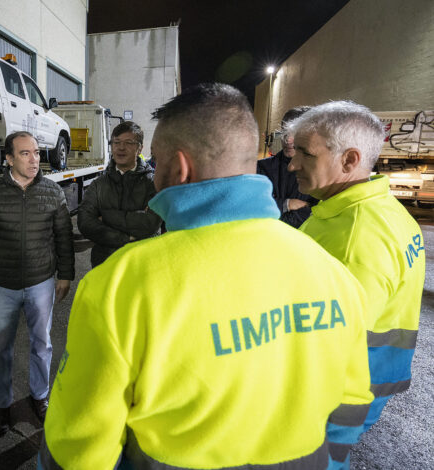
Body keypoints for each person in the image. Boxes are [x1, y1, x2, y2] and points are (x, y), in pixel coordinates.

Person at [38, 84, 373, 469]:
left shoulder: (121, 286)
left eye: (157, 159)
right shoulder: (331, 270)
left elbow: (77, 448)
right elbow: (351, 403)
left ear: (179, 168)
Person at [288, 101, 425, 467]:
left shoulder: (355, 236)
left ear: (349, 160)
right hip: (377, 369)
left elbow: (331, 344)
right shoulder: (380, 208)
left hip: (341, 390)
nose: (292, 164)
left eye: (304, 153)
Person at [0, 131, 75, 434]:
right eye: (25, 153)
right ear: (9, 159)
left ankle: (40, 397)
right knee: (2, 348)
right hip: (2, 285)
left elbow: (64, 238)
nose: (34, 159)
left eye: (37, 153)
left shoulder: (53, 192)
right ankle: (3, 404)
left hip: (42, 284)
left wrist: (65, 274)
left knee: (42, 344)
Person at [78, 121, 161, 267]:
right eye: (116, 142)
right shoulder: (99, 184)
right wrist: (124, 238)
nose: (121, 148)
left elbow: (150, 223)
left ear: (140, 148)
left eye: (128, 142)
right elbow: (85, 222)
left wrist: (105, 216)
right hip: (105, 262)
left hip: (142, 262)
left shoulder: (153, 183)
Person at [257, 106, 317, 228]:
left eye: (295, 133)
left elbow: (312, 214)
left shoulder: (318, 172)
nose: (288, 139)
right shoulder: (262, 167)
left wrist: (274, 206)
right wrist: (287, 204)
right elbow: (252, 206)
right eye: (284, 131)